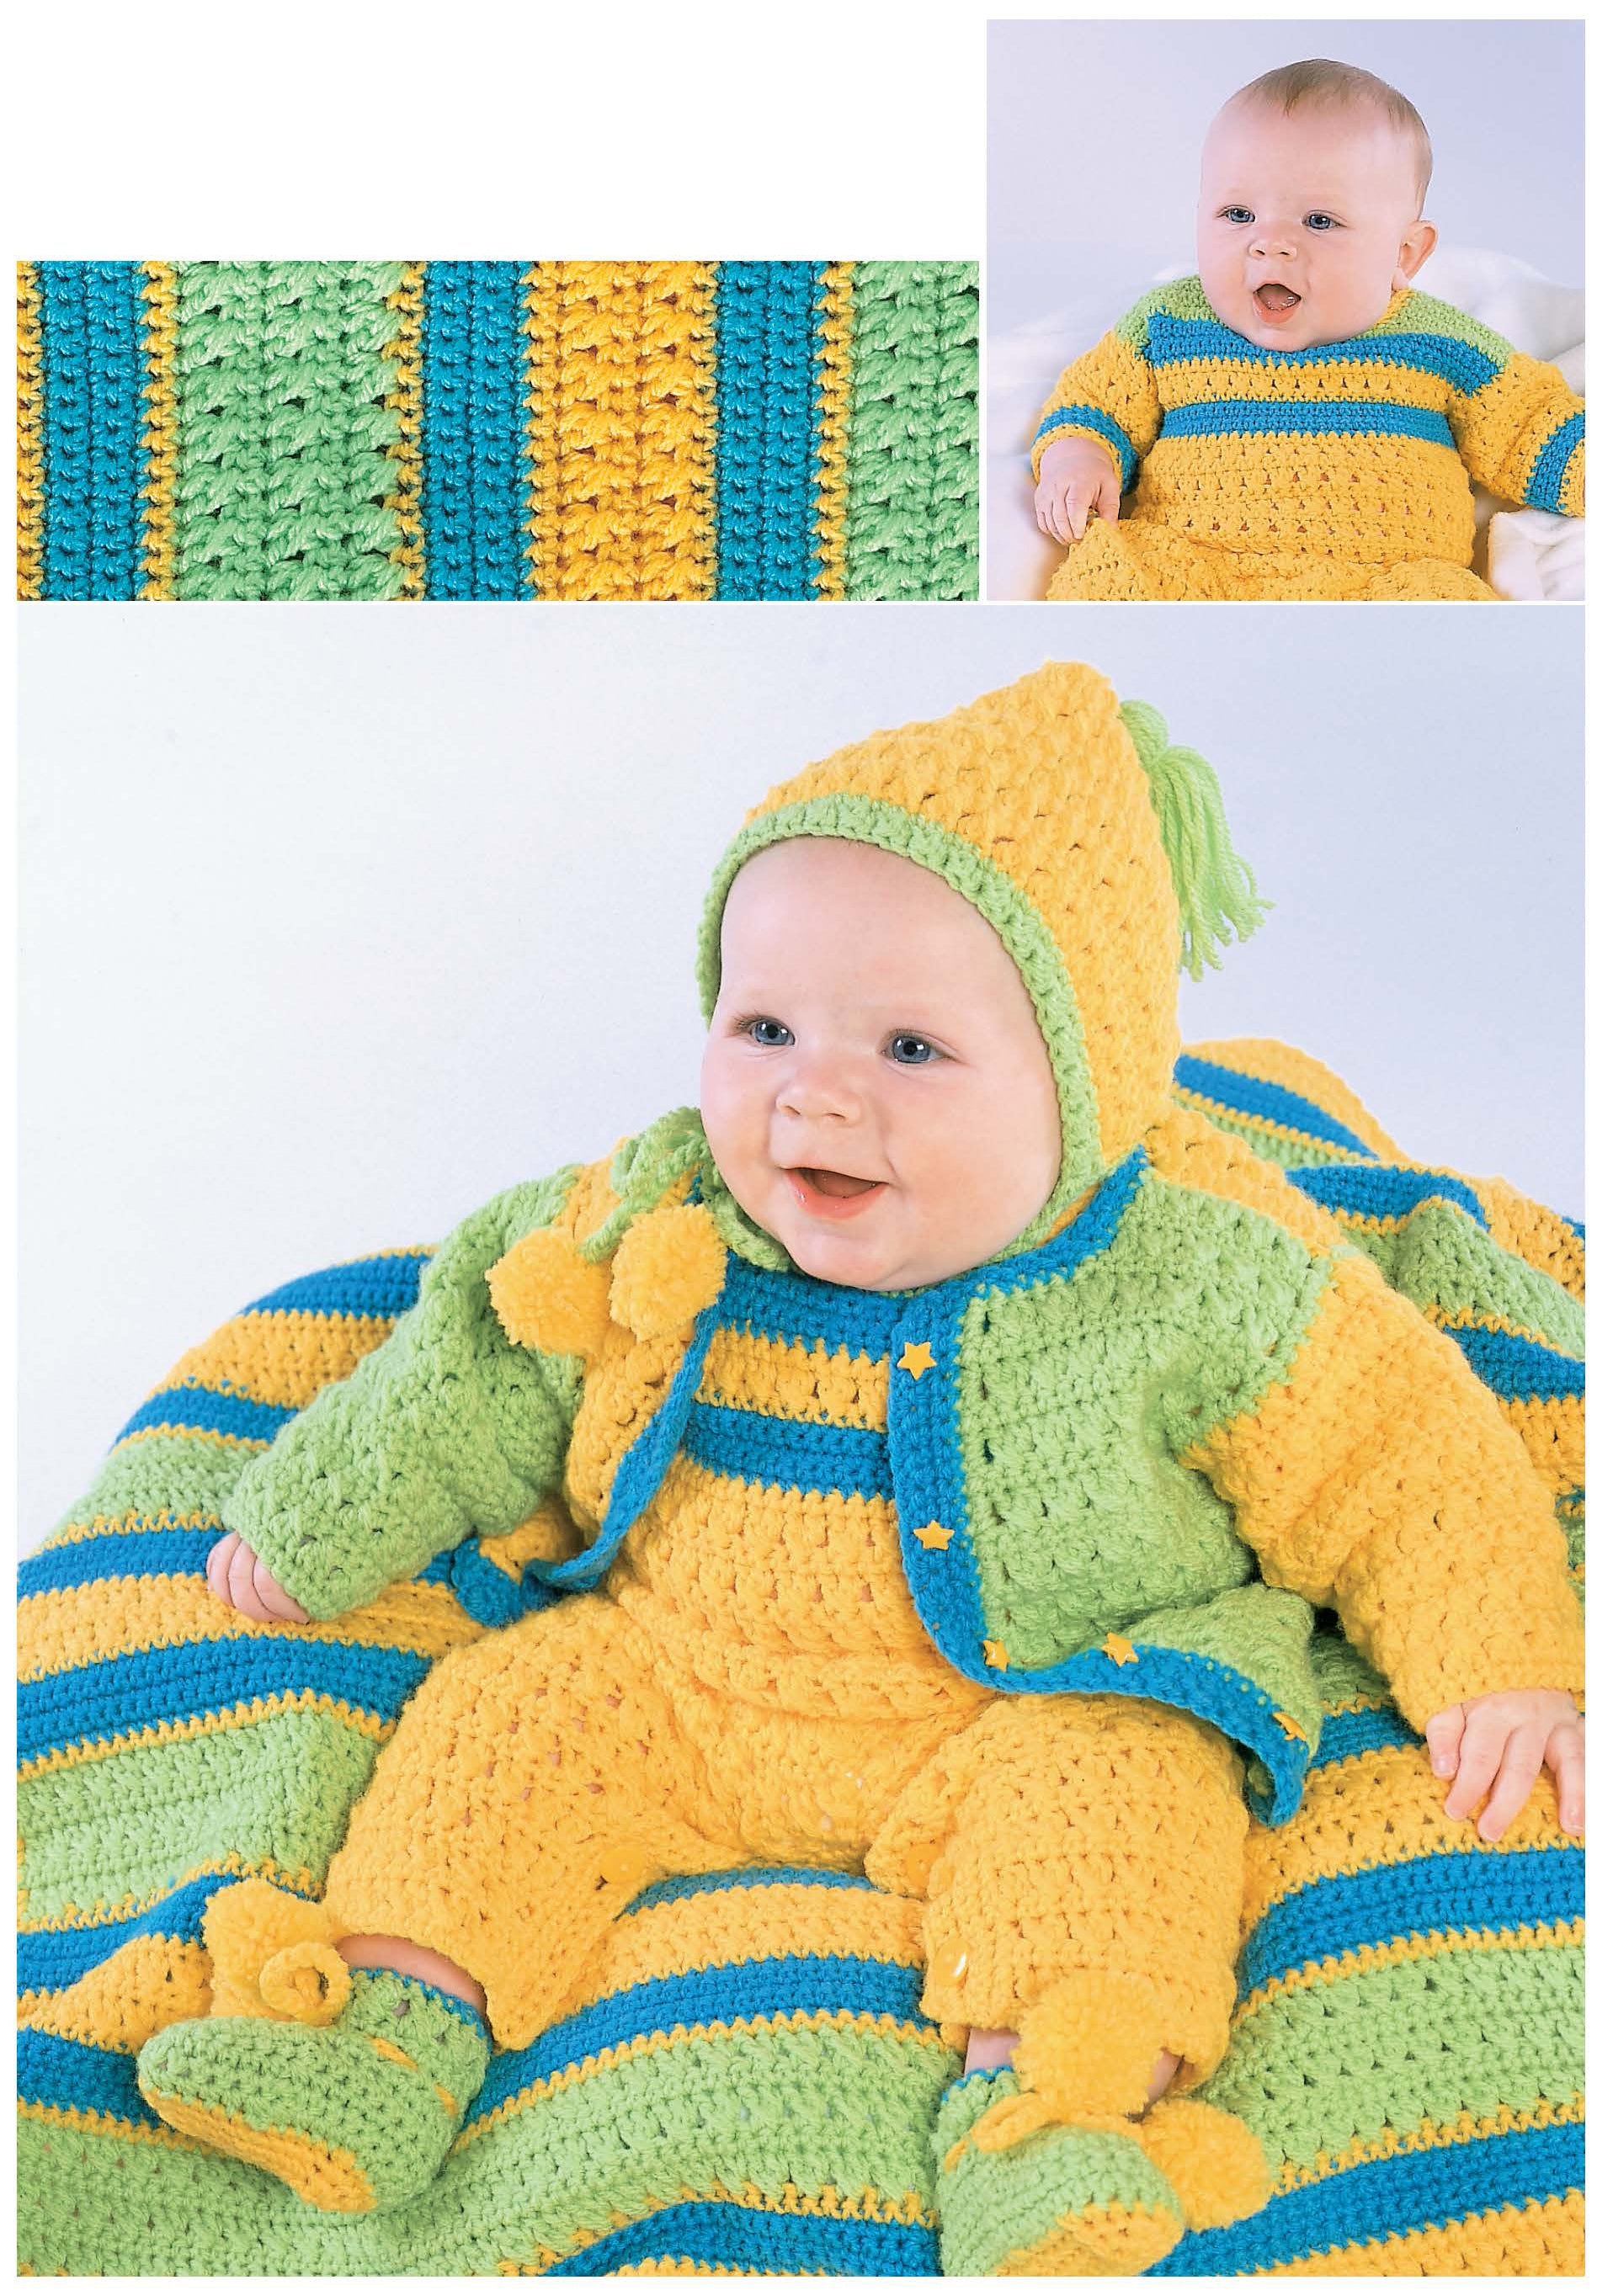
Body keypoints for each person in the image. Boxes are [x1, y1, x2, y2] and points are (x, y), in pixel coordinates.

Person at [136, 663, 1584, 2276]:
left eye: (909, 1045)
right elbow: (474, 1363)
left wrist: (1490, 1659)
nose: (812, 1089)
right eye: (763, 1026)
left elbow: (1394, 1453)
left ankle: (1051, 2118)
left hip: (1036, 1690)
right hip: (675, 1671)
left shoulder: (1188, 1273)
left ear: (1083, 1085)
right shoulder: (657, 1213)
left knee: (1122, 1819)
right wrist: (321, 1517)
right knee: (497, 1728)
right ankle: (386, 2030)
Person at [1032, 61, 1585, 601]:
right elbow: (1092, 401)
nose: (1270, 243)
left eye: (1319, 221)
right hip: (1189, 565)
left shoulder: (1440, 341)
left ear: (1404, 253)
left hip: (1390, 582)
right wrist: (1080, 456)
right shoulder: (1170, 322)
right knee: (1108, 573)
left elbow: (1529, 426)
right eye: (1238, 214)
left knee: (1442, 606)